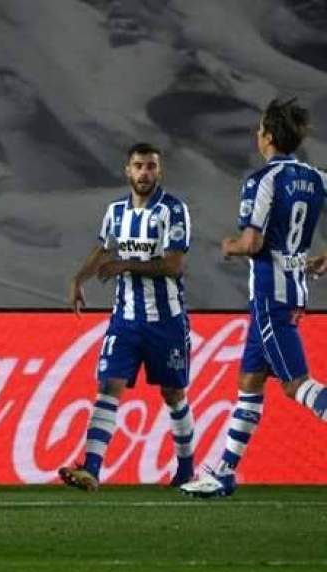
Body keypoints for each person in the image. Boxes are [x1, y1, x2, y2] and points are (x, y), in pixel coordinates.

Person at [181, 98, 327, 497]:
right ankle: (225, 472)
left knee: (296, 385)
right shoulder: (316, 178)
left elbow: (253, 241)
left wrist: (230, 245)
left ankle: (225, 472)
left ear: (266, 137)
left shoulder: (262, 181)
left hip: (269, 295)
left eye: (260, 128)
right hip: (291, 291)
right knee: (250, 382)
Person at [58, 143, 195, 491]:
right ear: (127, 171)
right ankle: (91, 467)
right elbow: (103, 248)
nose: (145, 173)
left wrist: (124, 265)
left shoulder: (173, 210)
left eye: (151, 166)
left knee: (173, 393)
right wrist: (77, 279)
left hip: (166, 320)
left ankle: (185, 469)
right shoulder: (116, 211)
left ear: (159, 172)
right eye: (139, 166)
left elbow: (173, 264)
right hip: (125, 319)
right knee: (109, 386)